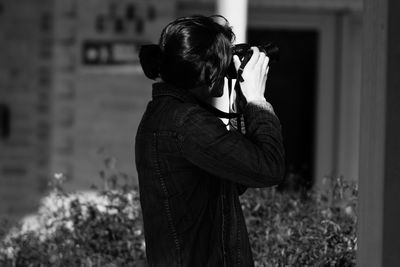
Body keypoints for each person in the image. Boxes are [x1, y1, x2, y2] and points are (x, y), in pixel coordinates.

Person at [135, 15, 285, 267]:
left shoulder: (169, 116)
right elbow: (269, 168)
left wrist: (240, 96)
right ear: (210, 70)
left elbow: (236, 175)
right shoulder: (186, 123)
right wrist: (257, 100)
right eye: (224, 59)